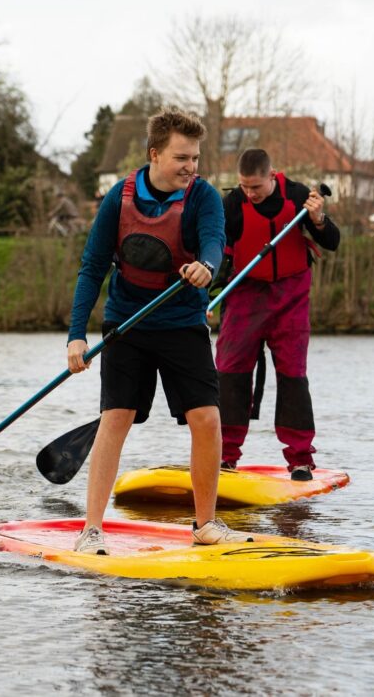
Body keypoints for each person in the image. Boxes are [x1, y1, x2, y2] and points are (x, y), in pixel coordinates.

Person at [66, 108, 254, 555]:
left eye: (196, 157)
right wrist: (76, 334)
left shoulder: (203, 196)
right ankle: (92, 530)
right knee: (116, 419)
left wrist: (206, 268)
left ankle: (206, 524)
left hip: (182, 325)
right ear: (155, 154)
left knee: (207, 419)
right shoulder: (119, 197)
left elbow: (213, 242)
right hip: (126, 326)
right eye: (182, 157)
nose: (192, 166)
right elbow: (92, 267)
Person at [214, 148, 340, 481]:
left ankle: (300, 458)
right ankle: (225, 455)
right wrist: (208, 292)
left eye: (255, 187)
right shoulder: (232, 206)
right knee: (229, 371)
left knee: (293, 374)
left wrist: (317, 220)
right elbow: (216, 253)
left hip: (290, 296)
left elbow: (333, 241)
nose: (249, 193)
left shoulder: (298, 197)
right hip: (245, 294)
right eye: (244, 186)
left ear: (272, 176)